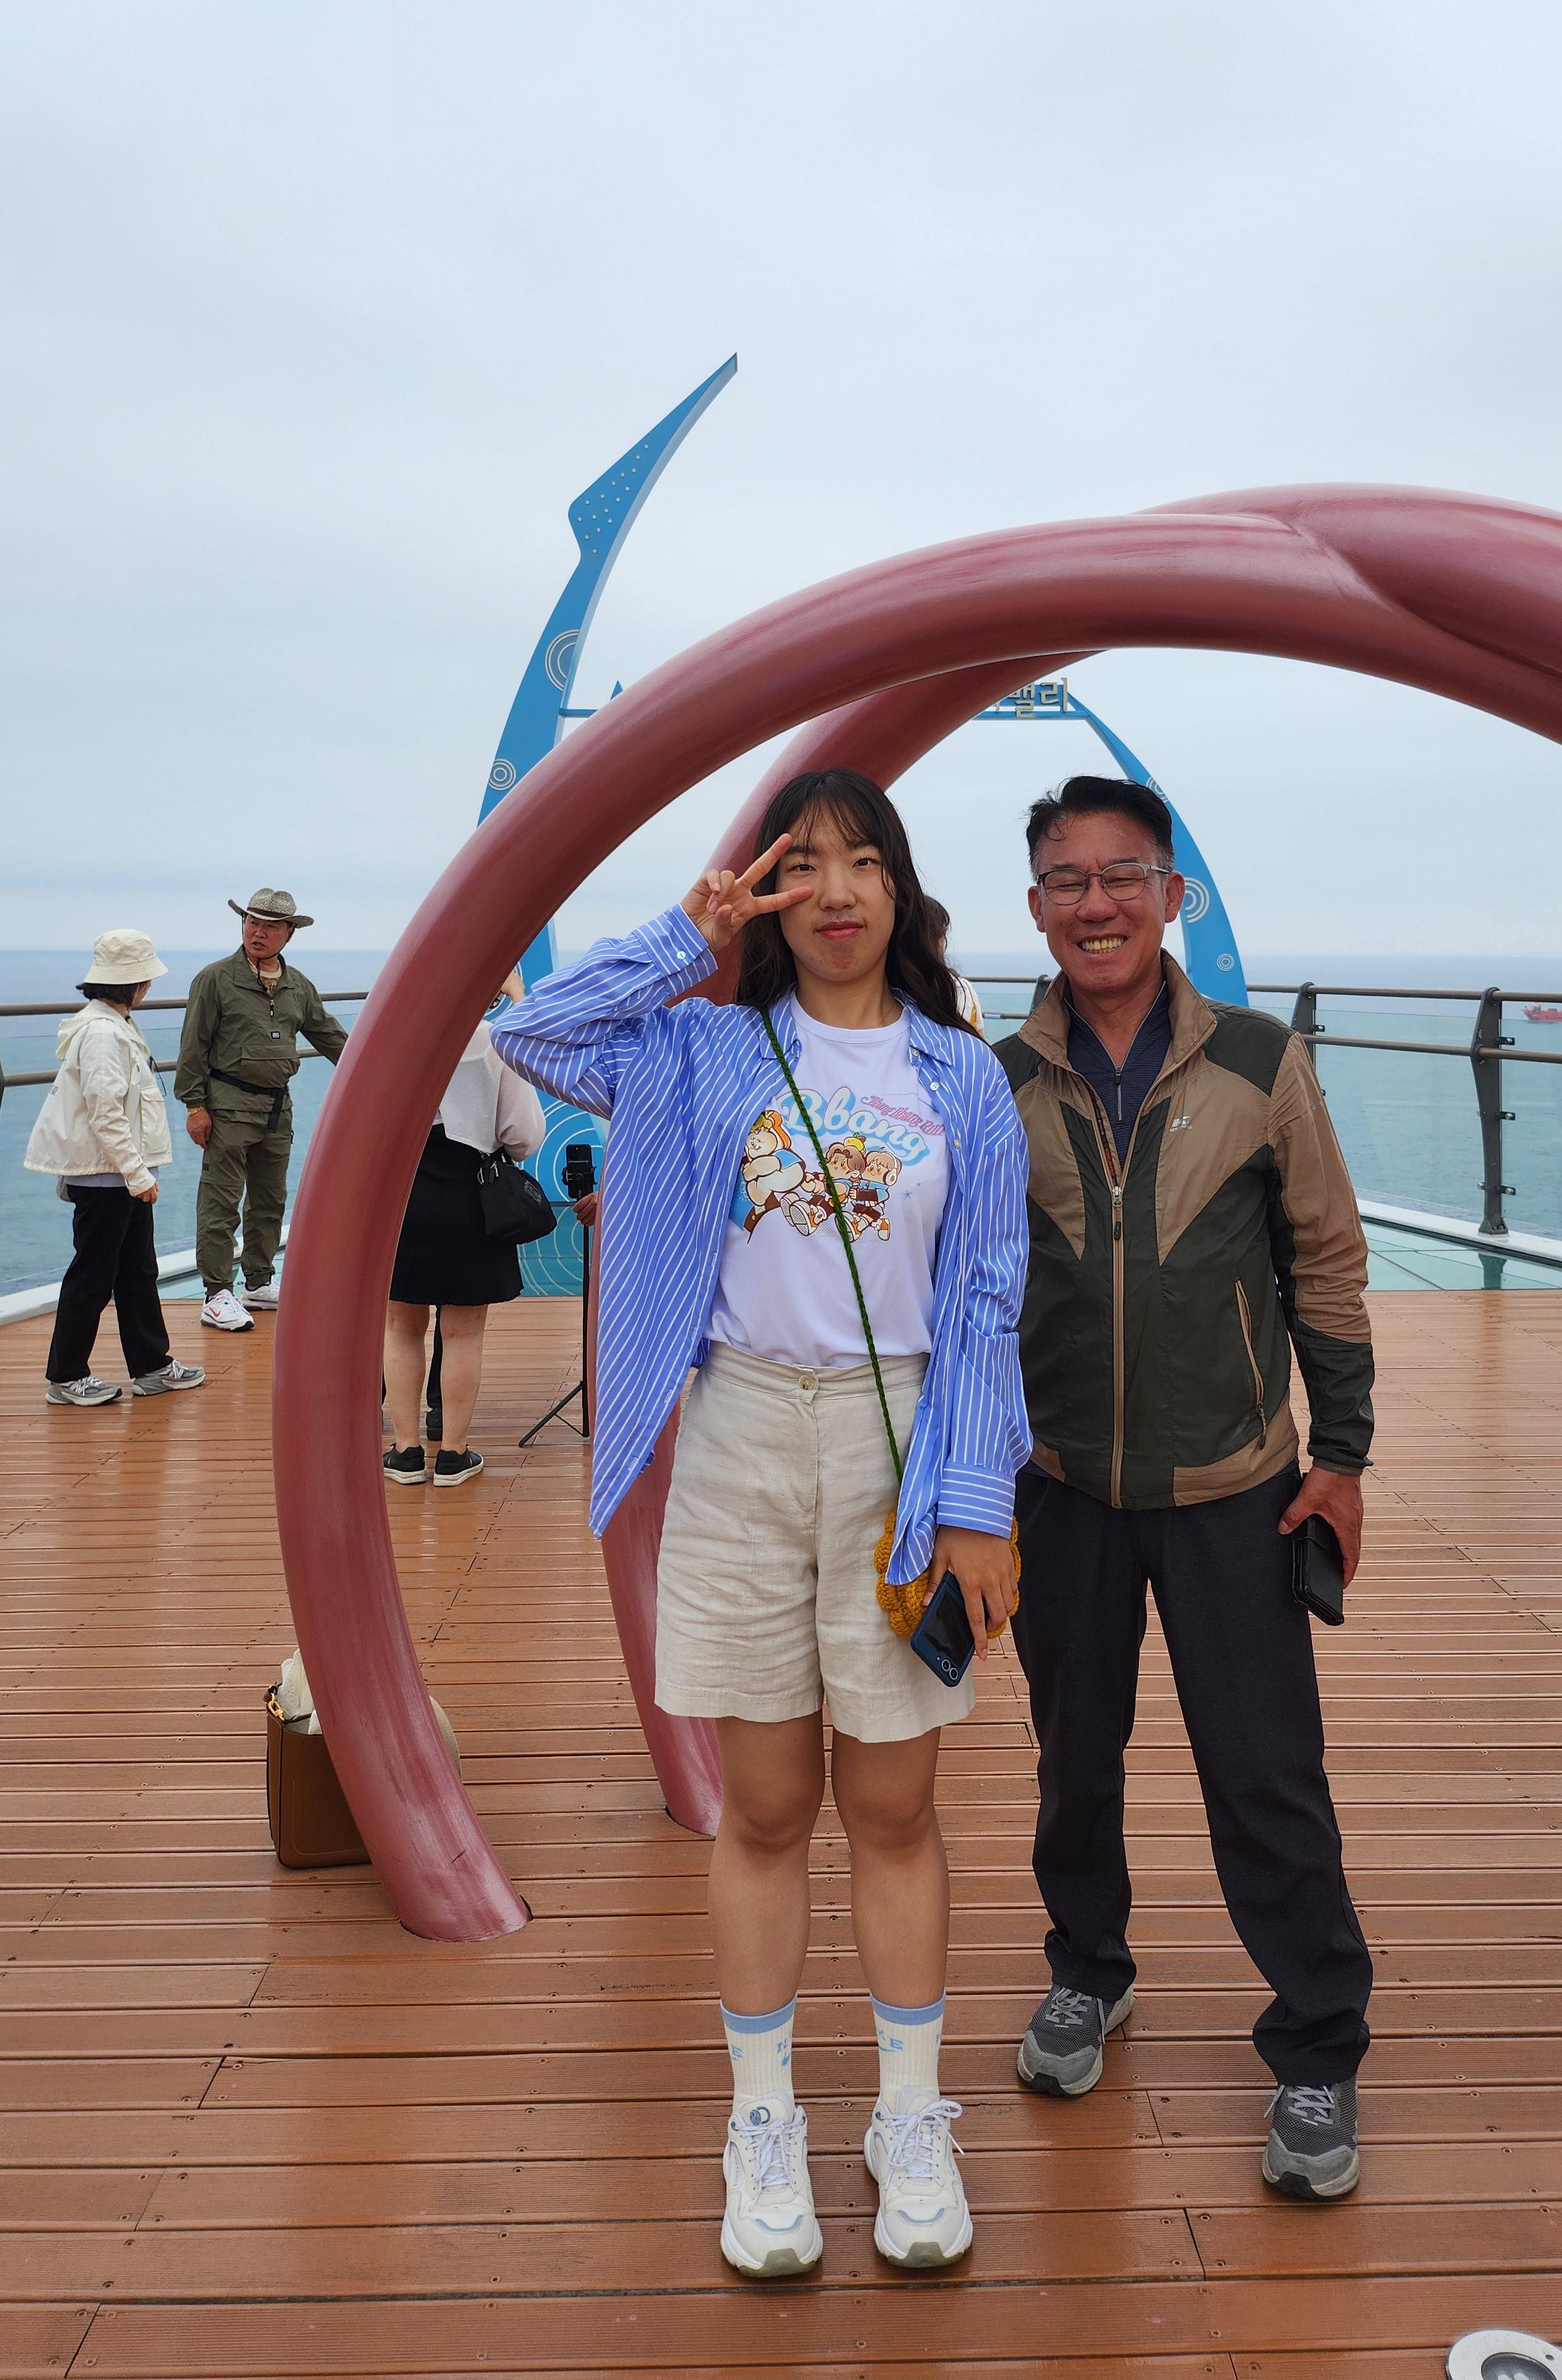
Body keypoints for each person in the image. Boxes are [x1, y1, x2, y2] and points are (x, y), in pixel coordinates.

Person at [491, 770, 1028, 2281]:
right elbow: (533, 1036)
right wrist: (689, 932)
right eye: (804, 866)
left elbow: (989, 1293)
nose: (835, 891)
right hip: (738, 1432)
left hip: (899, 1437)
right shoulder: (704, 1044)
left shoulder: (959, 1074)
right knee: (768, 1806)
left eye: (864, 862)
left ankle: (908, 2117)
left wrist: (978, 1502)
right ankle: (764, 2118)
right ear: (768, 893)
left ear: (901, 890)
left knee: (896, 1806)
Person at [995, 774, 1377, 2202]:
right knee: (1072, 1761)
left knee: (1268, 1775)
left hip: (1238, 1488)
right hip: (1059, 1486)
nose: (1095, 903)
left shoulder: (1263, 1062)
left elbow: (1325, 1260)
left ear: (1170, 895)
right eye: (1067, 879)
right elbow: (966, 1291)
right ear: (1036, 906)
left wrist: (1342, 1452)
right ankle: (1087, 1970)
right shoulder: (994, 1078)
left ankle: (1319, 2044)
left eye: (1121, 876)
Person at [25, 929, 205, 1407]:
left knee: (136, 1270)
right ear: (136, 983)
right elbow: (105, 1112)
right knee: (94, 1274)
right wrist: (137, 1174)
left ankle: (152, 1366)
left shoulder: (113, 1024)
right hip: (110, 1176)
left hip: (118, 1173)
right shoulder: (104, 1034)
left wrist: (135, 1173)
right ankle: (66, 1376)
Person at [383, 977, 547, 1490]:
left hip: (403, 1192)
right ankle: (453, 1455)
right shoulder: (495, 1042)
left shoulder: (395, 1040)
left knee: (401, 1327)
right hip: (471, 1194)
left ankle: (406, 1452)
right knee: (463, 1334)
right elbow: (524, 1136)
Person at [173, 888, 349, 1333]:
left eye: (270, 926)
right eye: (252, 923)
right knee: (221, 1202)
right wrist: (195, 1105)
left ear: (289, 933)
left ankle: (258, 1281)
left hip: (277, 1108)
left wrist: (377, 1071)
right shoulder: (215, 979)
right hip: (227, 1107)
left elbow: (330, 1036)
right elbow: (192, 1046)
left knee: (270, 1200)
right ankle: (217, 1293)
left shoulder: (297, 986)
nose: (258, 933)